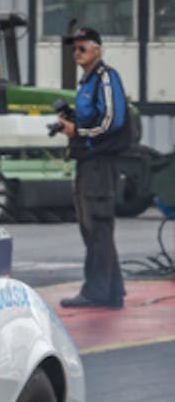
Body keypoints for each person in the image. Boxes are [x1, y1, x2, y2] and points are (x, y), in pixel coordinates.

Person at [56, 28, 128, 310]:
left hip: (100, 162)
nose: (76, 53)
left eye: (82, 48)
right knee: (93, 228)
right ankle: (112, 290)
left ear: (97, 49)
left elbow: (112, 121)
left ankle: (96, 291)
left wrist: (79, 131)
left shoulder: (106, 78)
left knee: (98, 225)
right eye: (74, 48)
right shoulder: (86, 82)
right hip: (87, 161)